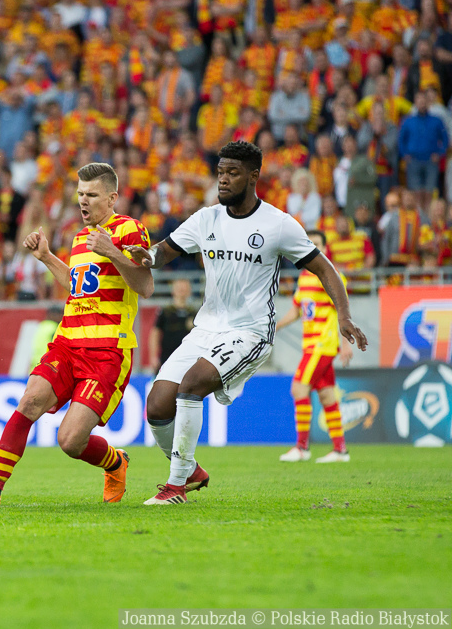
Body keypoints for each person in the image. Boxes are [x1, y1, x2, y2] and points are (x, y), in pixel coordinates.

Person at [127, 141, 368, 505]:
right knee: (157, 404)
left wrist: (344, 315)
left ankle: (175, 487)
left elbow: (323, 267)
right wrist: (147, 255)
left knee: (191, 385)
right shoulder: (206, 219)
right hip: (206, 328)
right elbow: (165, 251)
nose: (223, 180)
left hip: (250, 332)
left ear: (253, 176)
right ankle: (189, 470)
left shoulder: (278, 224)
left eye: (232, 173)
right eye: (220, 172)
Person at [0, 163, 153, 506]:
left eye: (91, 195)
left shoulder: (130, 229)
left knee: (70, 441)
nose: (83, 201)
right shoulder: (80, 238)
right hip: (68, 342)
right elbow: (78, 286)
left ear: (112, 198)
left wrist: (112, 251)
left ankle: (115, 462)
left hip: (107, 350)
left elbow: (145, 286)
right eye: (80, 194)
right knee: (29, 400)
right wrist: (47, 257)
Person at [276, 230, 354, 464]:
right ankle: (340, 450)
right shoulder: (304, 277)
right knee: (327, 395)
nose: (314, 248)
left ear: (326, 248)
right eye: (310, 243)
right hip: (311, 343)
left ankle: (302, 447)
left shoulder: (331, 275)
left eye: (318, 244)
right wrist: (276, 326)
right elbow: (297, 310)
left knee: (298, 388)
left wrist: (346, 342)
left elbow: (342, 309)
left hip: (322, 344)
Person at [150, 279, 197, 373]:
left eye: (184, 289)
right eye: (179, 289)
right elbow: (155, 333)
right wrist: (153, 356)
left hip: (188, 359)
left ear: (189, 291)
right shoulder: (165, 312)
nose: (182, 292)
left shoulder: (194, 313)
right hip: (167, 358)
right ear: (173, 291)